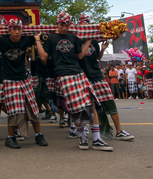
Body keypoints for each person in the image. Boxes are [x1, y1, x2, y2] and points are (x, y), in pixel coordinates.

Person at [36, 11, 112, 151]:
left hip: (78, 72)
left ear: (70, 25)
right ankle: (82, 136)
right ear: (57, 24)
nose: (64, 28)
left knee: (91, 102)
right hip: (63, 75)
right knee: (76, 107)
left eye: (66, 25)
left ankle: (96, 139)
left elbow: (80, 55)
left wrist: (89, 39)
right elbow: (43, 57)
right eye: (61, 25)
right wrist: (37, 40)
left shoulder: (73, 36)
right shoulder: (51, 38)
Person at [0, 19, 48, 149]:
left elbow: (41, 32)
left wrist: (37, 37)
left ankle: (38, 135)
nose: (17, 32)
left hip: (23, 77)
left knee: (33, 107)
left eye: (19, 29)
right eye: (14, 29)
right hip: (9, 79)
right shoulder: (3, 41)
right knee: (14, 110)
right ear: (9, 30)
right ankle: (10, 138)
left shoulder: (26, 40)